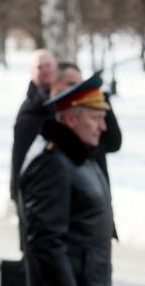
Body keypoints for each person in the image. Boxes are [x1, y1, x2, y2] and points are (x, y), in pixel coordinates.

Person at [18, 72, 114, 285]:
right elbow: (46, 244)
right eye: (95, 118)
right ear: (70, 119)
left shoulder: (79, 154)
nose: (103, 127)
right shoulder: (51, 164)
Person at [10, 49, 57, 201]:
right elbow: (19, 153)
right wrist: (15, 189)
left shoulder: (64, 100)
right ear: (31, 72)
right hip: (39, 186)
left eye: (48, 65)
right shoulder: (30, 109)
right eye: (39, 67)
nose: (45, 70)